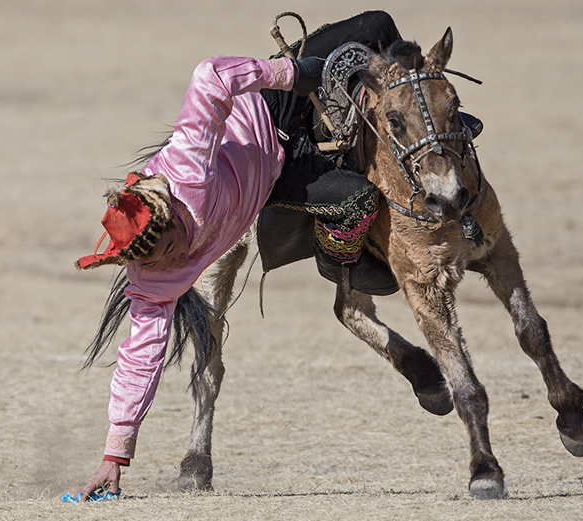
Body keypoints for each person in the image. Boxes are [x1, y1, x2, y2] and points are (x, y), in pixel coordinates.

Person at [70, 11, 458, 499]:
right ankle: (346, 265)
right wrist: (115, 454)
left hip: (271, 110)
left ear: (168, 211)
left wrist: (292, 74)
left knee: (378, 23)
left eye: (170, 251)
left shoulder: (187, 167)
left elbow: (209, 76)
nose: (174, 265)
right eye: (159, 263)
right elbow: (139, 357)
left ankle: (437, 125)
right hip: (277, 173)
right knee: (356, 198)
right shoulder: (152, 277)